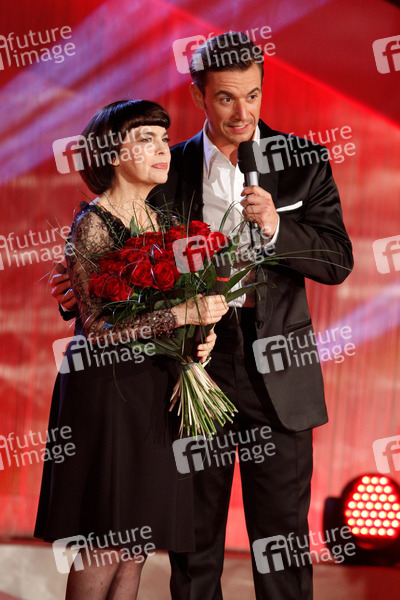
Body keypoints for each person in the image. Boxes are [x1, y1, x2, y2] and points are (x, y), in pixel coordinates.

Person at [52, 33, 354, 600]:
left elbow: (337, 260)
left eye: (253, 95)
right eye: (225, 98)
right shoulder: (167, 166)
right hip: (186, 366)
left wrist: (277, 228)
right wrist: (77, 291)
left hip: (278, 369)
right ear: (198, 96)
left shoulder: (304, 160)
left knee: (283, 545)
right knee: (192, 548)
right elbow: (120, 252)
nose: (242, 113)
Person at [35, 99, 229, 600]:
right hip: (108, 391)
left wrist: (197, 341)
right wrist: (182, 315)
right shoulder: (94, 223)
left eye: (163, 138)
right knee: (105, 539)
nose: (162, 148)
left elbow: (170, 308)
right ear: (111, 154)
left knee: (136, 543)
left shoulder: (161, 220)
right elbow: (99, 328)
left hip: (154, 385)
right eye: (145, 139)